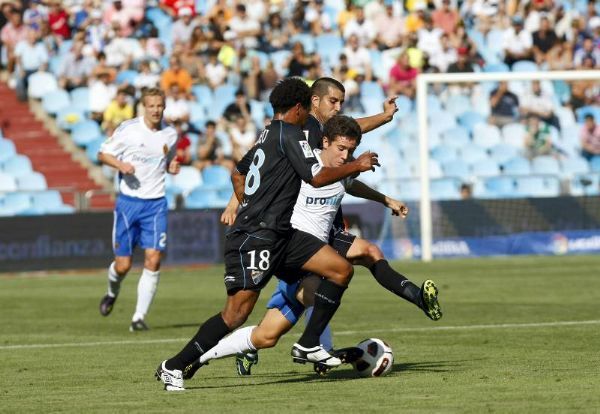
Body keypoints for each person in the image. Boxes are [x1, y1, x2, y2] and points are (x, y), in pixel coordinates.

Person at [155, 78, 379, 391]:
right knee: (235, 314)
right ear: (300, 108)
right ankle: (172, 366)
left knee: (339, 270)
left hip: (282, 234)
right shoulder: (290, 133)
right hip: (256, 237)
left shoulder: (268, 133)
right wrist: (357, 164)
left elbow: (238, 172)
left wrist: (251, 201)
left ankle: (309, 343)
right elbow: (316, 177)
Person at [183, 116, 441, 378]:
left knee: (367, 254)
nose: (345, 156)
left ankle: (416, 297)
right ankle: (311, 348)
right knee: (295, 314)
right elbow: (256, 176)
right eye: (341, 149)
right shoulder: (303, 165)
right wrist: (235, 203)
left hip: (321, 247)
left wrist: (386, 200)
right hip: (295, 255)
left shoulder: (343, 169)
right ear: (325, 141)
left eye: (350, 151)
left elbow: (353, 185)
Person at [97, 87, 181, 332]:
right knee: (123, 265)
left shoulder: (170, 133)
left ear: (164, 107)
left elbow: (168, 160)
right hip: (128, 203)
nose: (155, 110)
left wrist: (172, 166)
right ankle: (112, 292)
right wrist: (120, 164)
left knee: (153, 259)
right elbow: (102, 154)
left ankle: (138, 317)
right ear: (144, 107)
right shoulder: (129, 130)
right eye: (151, 105)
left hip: (156, 204)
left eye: (159, 105)